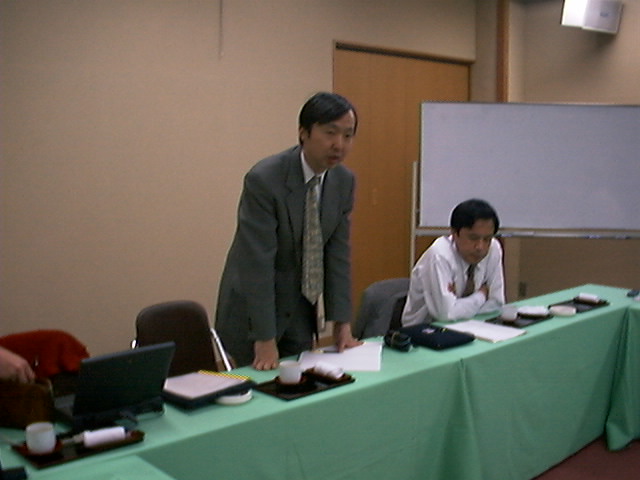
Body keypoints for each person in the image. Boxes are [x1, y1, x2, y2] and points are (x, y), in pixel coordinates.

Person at [215, 92, 363, 370]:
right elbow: (257, 263)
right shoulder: (265, 179)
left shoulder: (343, 181)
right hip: (253, 311)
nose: (339, 145)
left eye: (348, 135)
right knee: (256, 386)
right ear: (303, 132)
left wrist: (342, 323)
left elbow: (338, 254)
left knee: (300, 386)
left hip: (299, 308)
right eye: (330, 133)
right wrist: (264, 338)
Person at [402, 198, 505, 325]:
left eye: (487, 239)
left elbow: (496, 303)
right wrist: (482, 295)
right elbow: (446, 314)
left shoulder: (493, 248)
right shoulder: (439, 255)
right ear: (455, 233)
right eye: (473, 238)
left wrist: (459, 306)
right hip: (423, 329)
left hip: (471, 324)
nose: (480, 247)